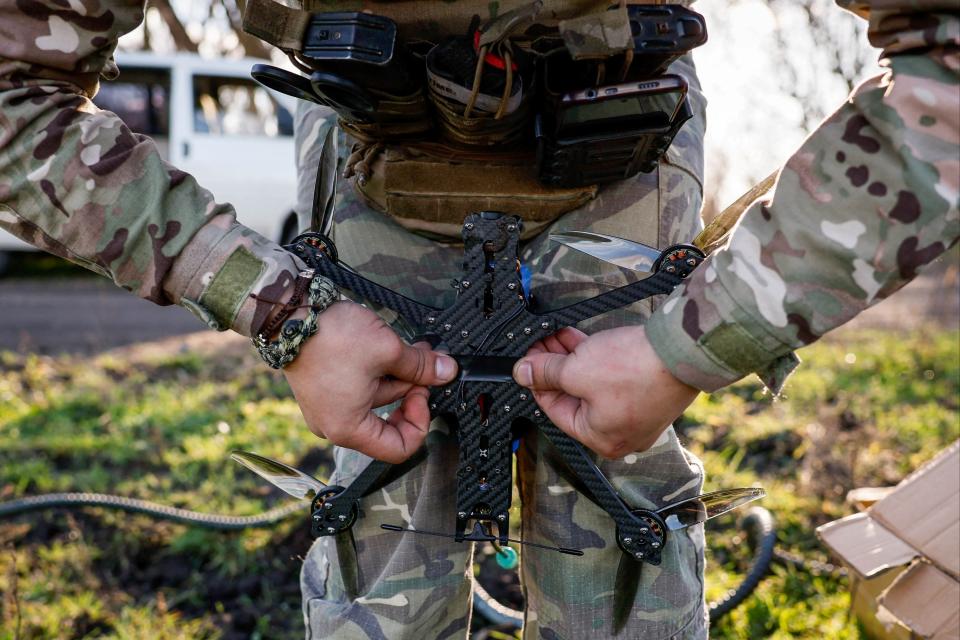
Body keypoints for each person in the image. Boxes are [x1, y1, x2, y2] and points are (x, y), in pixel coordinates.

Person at [0, 3, 955, 640]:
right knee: (386, 509)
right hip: (372, 153)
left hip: (619, 139)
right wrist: (282, 310)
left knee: (617, 517)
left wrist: (691, 344)